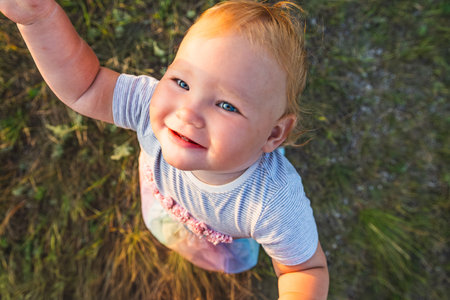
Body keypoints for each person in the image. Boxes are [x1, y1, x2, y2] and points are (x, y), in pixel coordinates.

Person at [0, 0, 329, 298]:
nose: (187, 113)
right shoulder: (148, 106)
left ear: (274, 133)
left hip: (223, 235)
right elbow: (86, 86)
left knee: (218, 259)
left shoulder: (272, 203)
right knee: (168, 229)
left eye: (227, 105)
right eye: (182, 83)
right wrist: (39, 18)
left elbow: (303, 268)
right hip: (165, 200)